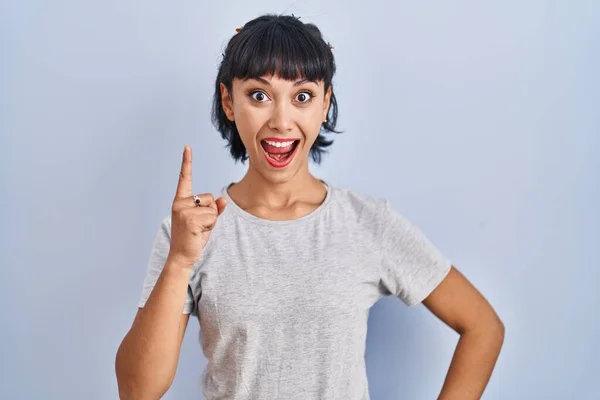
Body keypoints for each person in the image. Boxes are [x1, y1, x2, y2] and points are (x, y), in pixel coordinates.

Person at [115, 13, 505, 400]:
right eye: (259, 95)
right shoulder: (190, 233)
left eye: (302, 96)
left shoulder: (368, 222)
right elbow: (137, 391)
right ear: (228, 101)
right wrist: (181, 260)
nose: (282, 121)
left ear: (325, 103)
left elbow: (482, 327)